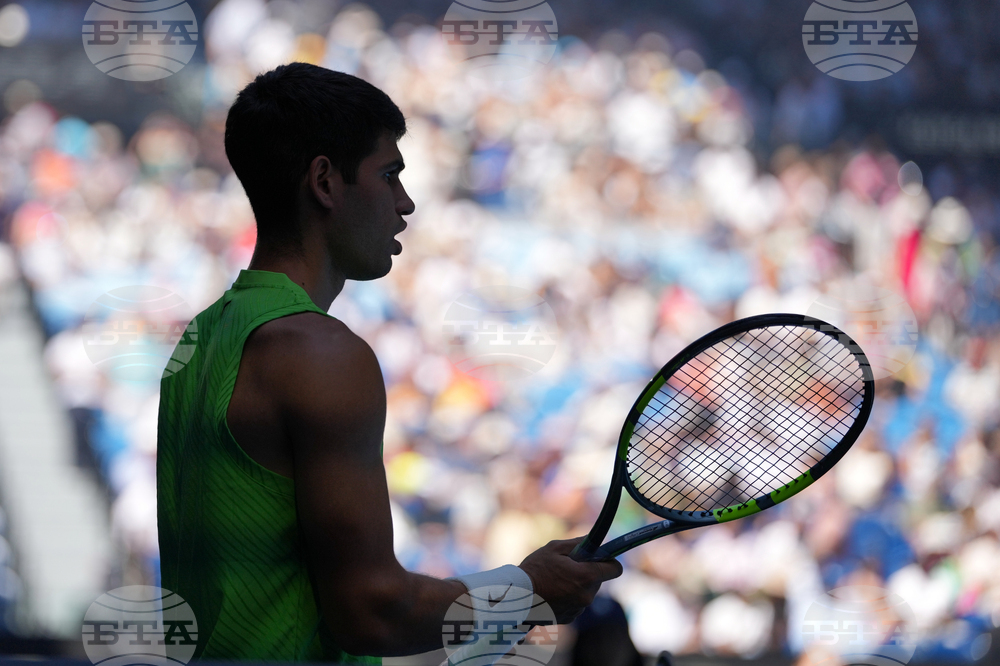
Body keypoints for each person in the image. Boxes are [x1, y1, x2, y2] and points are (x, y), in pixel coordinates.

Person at [156, 62, 622, 664]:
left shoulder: (200, 339)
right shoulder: (320, 352)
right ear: (324, 181)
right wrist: (527, 592)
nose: (405, 203)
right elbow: (373, 614)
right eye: (389, 174)